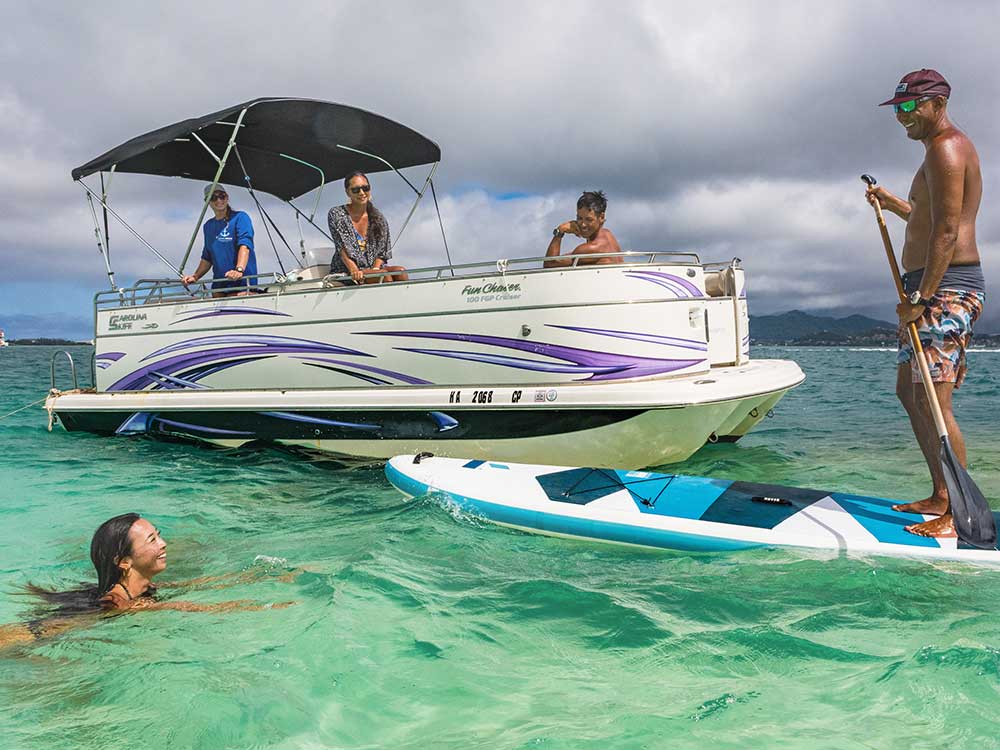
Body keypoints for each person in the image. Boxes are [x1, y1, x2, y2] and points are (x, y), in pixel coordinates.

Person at [866, 69, 985, 538]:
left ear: (938, 103)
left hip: (945, 288)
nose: (902, 118)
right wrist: (892, 202)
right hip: (926, 288)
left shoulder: (948, 147)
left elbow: (948, 231)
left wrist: (923, 296)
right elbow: (926, 216)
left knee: (937, 400)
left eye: (910, 107)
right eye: (898, 109)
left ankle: (959, 514)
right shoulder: (933, 154)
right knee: (910, 392)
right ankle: (941, 492)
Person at [0, 513, 293, 650]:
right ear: (124, 562)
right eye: (152, 540)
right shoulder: (121, 603)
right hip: (32, 638)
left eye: (158, 534)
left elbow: (198, 586)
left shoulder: (142, 589)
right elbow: (189, 606)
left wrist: (258, 575)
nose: (163, 544)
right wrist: (264, 607)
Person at [328, 171, 408, 284]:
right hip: (346, 270)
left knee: (400, 272)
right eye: (356, 190)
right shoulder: (337, 214)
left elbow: (383, 252)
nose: (362, 193)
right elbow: (342, 248)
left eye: (365, 188)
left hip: (373, 269)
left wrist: (375, 269)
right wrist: (354, 270)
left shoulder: (379, 218)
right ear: (348, 192)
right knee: (383, 277)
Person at [181, 184, 257, 297]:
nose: (219, 200)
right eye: (213, 198)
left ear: (227, 197)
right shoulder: (208, 226)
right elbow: (207, 257)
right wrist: (195, 276)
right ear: (207, 201)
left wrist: (239, 270)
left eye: (222, 196)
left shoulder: (241, 217)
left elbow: (245, 245)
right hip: (219, 285)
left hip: (242, 282)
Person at [543, 190, 622, 268]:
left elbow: (550, 264)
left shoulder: (590, 248)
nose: (583, 225)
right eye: (579, 218)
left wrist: (559, 232)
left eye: (589, 220)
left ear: (601, 217)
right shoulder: (608, 234)